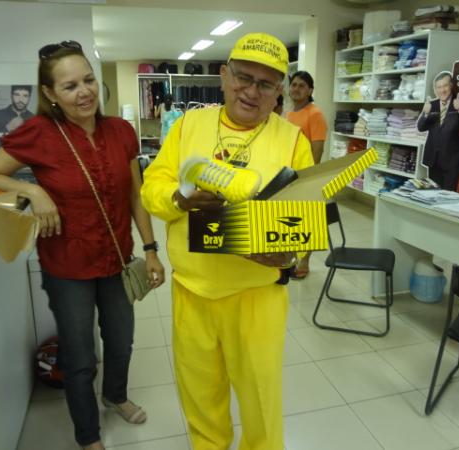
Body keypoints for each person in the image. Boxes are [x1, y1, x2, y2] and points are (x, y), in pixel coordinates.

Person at [0, 40, 165, 450]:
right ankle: (88, 434)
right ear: (49, 94)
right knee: (80, 357)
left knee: (121, 340)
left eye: (88, 80)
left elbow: (136, 195)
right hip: (67, 266)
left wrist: (150, 249)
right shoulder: (38, 134)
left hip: (117, 258)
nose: (84, 92)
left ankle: (115, 396)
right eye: (69, 86)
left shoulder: (121, 131)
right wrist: (36, 194)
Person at [140, 32, 313, 450]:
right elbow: (152, 188)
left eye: (266, 84)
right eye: (242, 77)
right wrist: (180, 198)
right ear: (223, 75)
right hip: (192, 291)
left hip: (256, 297)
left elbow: (307, 218)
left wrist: (289, 253)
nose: (251, 91)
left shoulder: (293, 141)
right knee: (200, 397)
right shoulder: (188, 127)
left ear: (279, 94)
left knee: (260, 402)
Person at [286, 70, 328, 279]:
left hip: (307, 177)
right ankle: (292, 257)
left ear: (310, 90)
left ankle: (305, 262)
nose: (296, 89)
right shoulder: (290, 113)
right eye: (294, 84)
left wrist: (308, 178)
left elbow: (317, 149)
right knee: (293, 220)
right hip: (290, 175)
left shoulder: (315, 114)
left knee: (307, 221)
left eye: (302, 85)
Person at [417, 71, 459, 191]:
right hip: (433, 160)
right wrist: (425, 114)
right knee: (433, 194)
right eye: (439, 87)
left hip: (452, 162)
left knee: (447, 195)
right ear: (435, 89)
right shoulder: (431, 105)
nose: (442, 90)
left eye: (445, 86)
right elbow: (421, 127)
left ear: (451, 86)